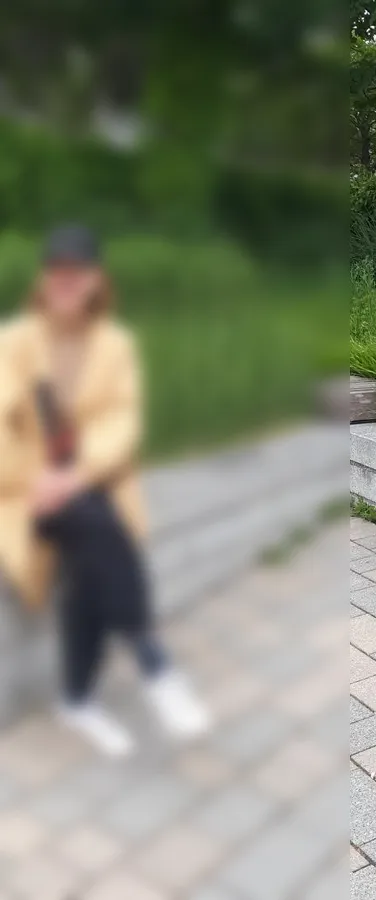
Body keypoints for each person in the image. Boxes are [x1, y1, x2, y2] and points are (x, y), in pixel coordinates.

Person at [0, 224, 210, 758]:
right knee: (100, 530)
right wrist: (36, 481)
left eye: (79, 274)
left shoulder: (114, 345)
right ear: (44, 281)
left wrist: (72, 475)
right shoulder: (15, 343)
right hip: (21, 495)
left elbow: (123, 423)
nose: (67, 284)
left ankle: (76, 699)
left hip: (86, 487)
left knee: (89, 571)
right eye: (58, 273)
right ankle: (153, 663)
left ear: (96, 282)